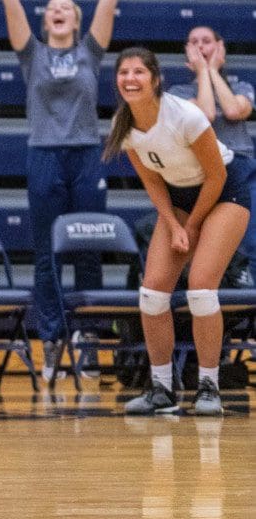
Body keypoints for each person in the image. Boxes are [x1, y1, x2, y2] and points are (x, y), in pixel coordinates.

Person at [0, 0, 134, 382]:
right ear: (46, 20)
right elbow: (11, 4)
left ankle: (86, 342)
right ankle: (50, 339)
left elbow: (108, 1)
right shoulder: (32, 54)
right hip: (45, 154)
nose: (57, 11)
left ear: (76, 18)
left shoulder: (90, 51)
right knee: (48, 251)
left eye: (65, 8)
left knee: (88, 246)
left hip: (88, 154)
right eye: (51, 8)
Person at [104, 48, 254, 417]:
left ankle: (208, 387)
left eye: (139, 71)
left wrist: (191, 225)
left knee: (202, 289)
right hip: (178, 197)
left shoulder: (185, 115)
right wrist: (173, 225)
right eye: (124, 72)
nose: (130, 78)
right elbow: (153, 182)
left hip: (225, 190)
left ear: (155, 79)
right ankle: (162, 389)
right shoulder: (123, 126)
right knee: (152, 294)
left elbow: (216, 176)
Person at [170, 26, 256, 265]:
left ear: (220, 48)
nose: (200, 46)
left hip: (243, 168)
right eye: (193, 42)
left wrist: (213, 72)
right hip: (204, 172)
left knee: (254, 243)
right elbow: (205, 115)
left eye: (206, 41)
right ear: (186, 51)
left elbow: (234, 110)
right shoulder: (178, 93)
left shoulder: (241, 88)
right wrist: (204, 73)